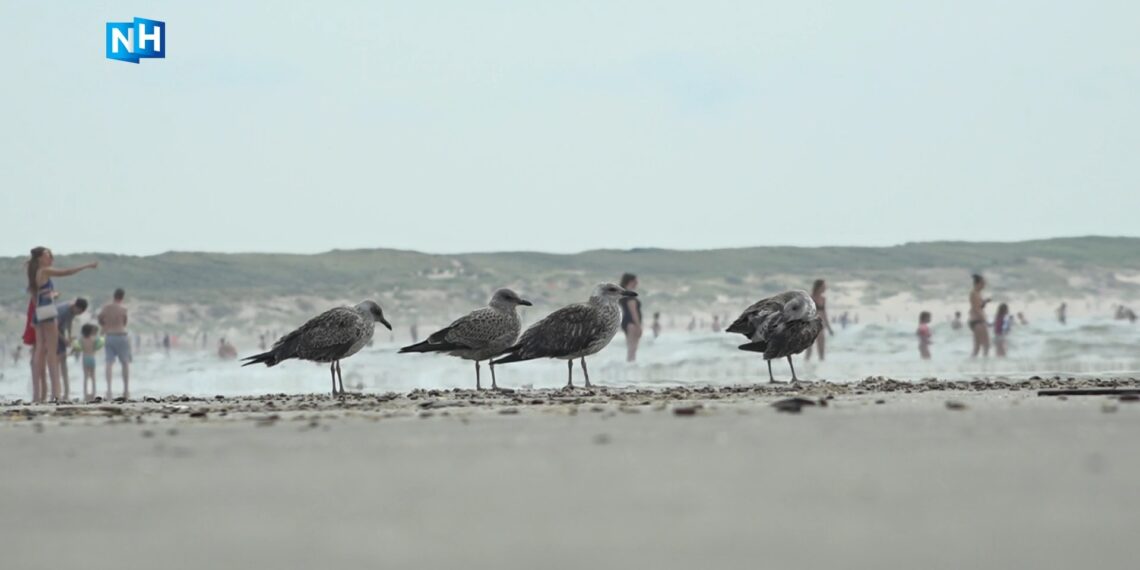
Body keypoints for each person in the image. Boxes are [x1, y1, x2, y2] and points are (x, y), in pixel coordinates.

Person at [26, 247, 98, 402]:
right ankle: (56, 394)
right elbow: (67, 272)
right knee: (52, 352)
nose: (49, 257)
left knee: (39, 350)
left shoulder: (34, 272)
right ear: (39, 258)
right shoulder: (44, 271)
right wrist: (86, 266)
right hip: (47, 309)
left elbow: (35, 295)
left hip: (38, 309)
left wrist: (50, 296)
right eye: (46, 255)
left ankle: (36, 395)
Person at [98, 288, 131, 400]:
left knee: (109, 362)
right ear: (122, 297)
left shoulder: (106, 308)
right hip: (121, 335)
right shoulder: (123, 309)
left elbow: (100, 318)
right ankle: (126, 389)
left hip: (110, 335)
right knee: (125, 363)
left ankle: (109, 389)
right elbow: (125, 323)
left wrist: (105, 324)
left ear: (114, 296)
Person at [54, 297, 89, 402]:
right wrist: (64, 339)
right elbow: (53, 327)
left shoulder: (72, 311)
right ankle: (56, 389)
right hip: (51, 332)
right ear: (76, 307)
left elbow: (69, 322)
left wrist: (69, 336)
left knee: (63, 360)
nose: (78, 314)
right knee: (56, 360)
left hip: (61, 332)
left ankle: (66, 391)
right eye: (79, 312)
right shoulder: (63, 311)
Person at [804, 279, 835, 361]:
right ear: (819, 287)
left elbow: (824, 314)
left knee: (821, 349)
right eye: (824, 286)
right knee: (809, 349)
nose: (825, 288)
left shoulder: (823, 299)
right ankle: (806, 367)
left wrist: (829, 328)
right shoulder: (810, 298)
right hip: (811, 324)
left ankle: (821, 369)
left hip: (820, 324)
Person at [619, 273, 642, 362]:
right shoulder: (630, 294)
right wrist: (638, 326)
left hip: (627, 322)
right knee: (633, 348)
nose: (637, 283)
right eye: (636, 281)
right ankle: (631, 368)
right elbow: (633, 310)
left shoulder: (624, 293)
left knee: (631, 348)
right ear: (631, 281)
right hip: (631, 322)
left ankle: (630, 367)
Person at [968, 274, 991, 358]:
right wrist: (985, 320)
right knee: (986, 345)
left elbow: (979, 305)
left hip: (976, 320)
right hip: (978, 321)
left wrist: (985, 301)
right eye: (983, 283)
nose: (984, 285)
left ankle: (972, 365)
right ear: (978, 283)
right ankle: (985, 364)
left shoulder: (977, 293)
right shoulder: (974, 293)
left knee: (977, 347)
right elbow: (977, 308)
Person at [79, 324, 102, 401]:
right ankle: (94, 391)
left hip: (85, 358)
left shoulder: (82, 339)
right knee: (93, 376)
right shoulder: (93, 339)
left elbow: (78, 347)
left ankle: (85, 392)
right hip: (92, 358)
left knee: (86, 377)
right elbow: (97, 347)